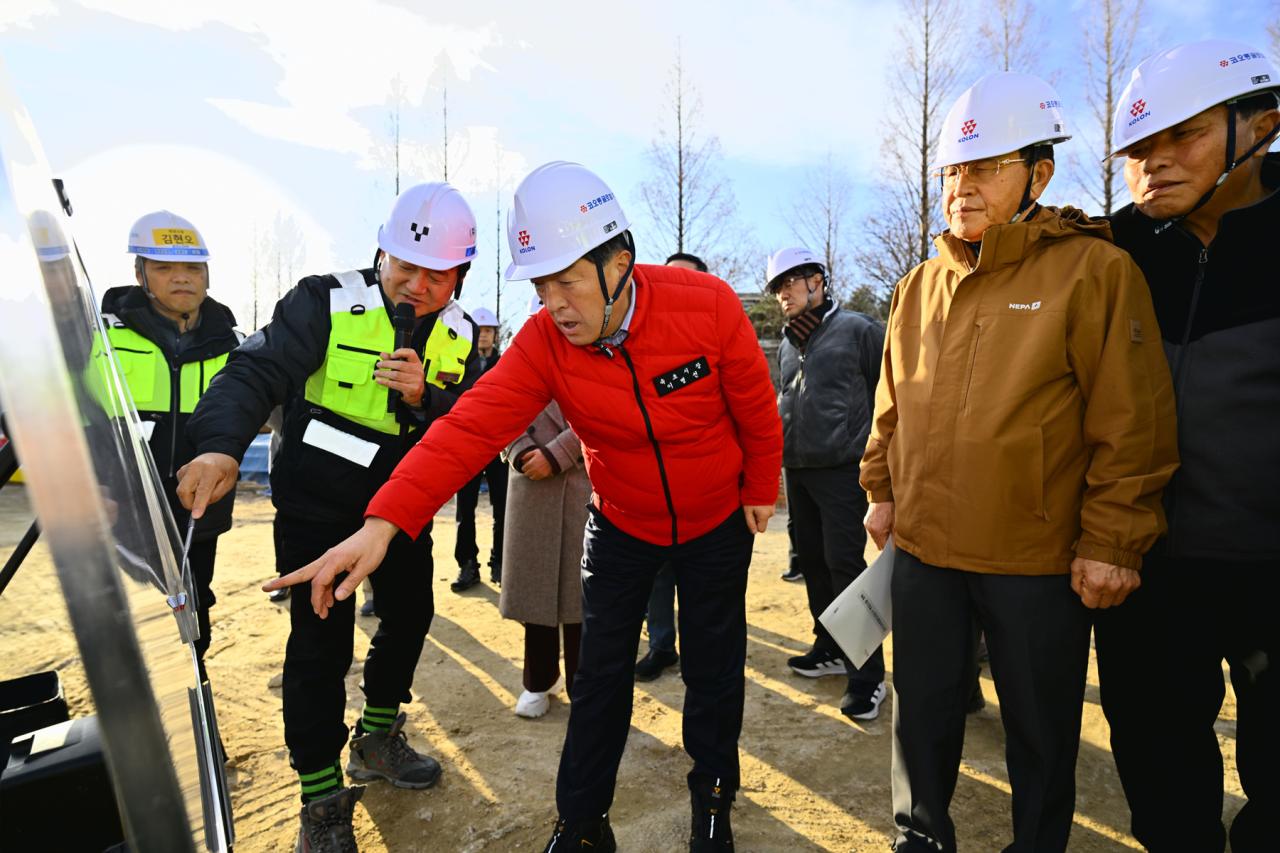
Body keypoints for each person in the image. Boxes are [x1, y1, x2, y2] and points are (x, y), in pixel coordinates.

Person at [266, 161, 783, 853]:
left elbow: (754, 405)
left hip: (716, 520)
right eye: (541, 284)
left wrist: (758, 488)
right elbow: (465, 429)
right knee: (599, 682)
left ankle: (713, 802)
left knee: (714, 671)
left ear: (619, 263)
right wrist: (383, 523)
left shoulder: (707, 305)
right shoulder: (544, 342)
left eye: (567, 280)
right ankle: (580, 824)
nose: (555, 302)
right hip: (624, 524)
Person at [859, 72, 1179, 853]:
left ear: (1038, 173)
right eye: (953, 171)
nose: (963, 186)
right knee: (923, 710)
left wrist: (1113, 539)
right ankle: (919, 835)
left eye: (986, 166)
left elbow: (1130, 420)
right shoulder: (918, 285)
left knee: (1039, 727)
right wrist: (881, 489)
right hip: (927, 548)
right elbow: (891, 402)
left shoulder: (1094, 271)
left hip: (1034, 558)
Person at [177, 182, 481, 852]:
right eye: (404, 266)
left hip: (402, 512)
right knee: (319, 647)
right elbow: (252, 373)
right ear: (381, 251)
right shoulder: (324, 301)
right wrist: (221, 444)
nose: (417, 286)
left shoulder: (461, 333)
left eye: (437, 275)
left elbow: (473, 421)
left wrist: (425, 396)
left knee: (408, 617)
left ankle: (376, 736)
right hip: (317, 511)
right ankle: (319, 796)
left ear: (460, 274)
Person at [1094, 39, 1280, 853]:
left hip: (1272, 567)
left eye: (1183, 136)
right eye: (1137, 148)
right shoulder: (1111, 251)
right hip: (1150, 572)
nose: (1153, 165)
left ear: (1262, 124)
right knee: (1162, 779)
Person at [100, 211, 241, 683]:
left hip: (197, 513)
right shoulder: (100, 338)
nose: (182, 276)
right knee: (132, 620)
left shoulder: (236, 346)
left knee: (196, 610)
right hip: (124, 511)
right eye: (164, 267)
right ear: (139, 275)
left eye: (194, 267)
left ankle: (195, 714)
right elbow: (63, 412)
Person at [767, 245, 886, 720]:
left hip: (844, 470)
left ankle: (868, 676)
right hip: (798, 470)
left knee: (844, 564)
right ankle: (831, 646)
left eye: (790, 283)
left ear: (817, 280)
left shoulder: (859, 330)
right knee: (812, 561)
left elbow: (888, 397)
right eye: (777, 288)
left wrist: (883, 468)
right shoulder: (787, 344)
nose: (782, 295)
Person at [500, 299, 590, 718]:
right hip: (531, 484)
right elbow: (500, 412)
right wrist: (520, 452)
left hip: (579, 480)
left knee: (579, 599)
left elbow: (602, 413)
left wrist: (558, 452)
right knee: (536, 593)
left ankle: (582, 684)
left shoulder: (596, 354)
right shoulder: (519, 359)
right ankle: (537, 682)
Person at [634, 251, 709, 683]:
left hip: (705, 489)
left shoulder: (717, 340)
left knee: (702, 583)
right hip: (652, 488)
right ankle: (662, 645)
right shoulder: (639, 340)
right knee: (657, 576)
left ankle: (702, 652)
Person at [450, 305, 509, 591]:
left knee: (503, 508)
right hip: (469, 445)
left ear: (495, 335)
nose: (484, 335)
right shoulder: (460, 361)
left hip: (499, 446)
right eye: (480, 330)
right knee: (465, 509)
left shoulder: (509, 363)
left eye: (488, 331)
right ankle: (467, 565)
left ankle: (500, 563)